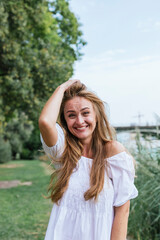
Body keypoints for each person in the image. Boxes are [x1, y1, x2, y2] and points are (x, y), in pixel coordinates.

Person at [39, 79, 138, 240]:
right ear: (65, 121)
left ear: (96, 115)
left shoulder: (114, 153)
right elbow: (45, 121)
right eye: (71, 115)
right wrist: (62, 88)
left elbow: (122, 210)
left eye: (85, 113)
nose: (79, 121)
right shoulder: (63, 151)